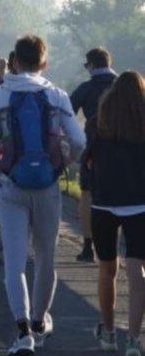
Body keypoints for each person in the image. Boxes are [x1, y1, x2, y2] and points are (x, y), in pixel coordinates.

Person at [0, 35, 86, 356]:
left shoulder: (0, 96)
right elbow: (79, 140)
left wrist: (0, 171)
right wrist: (61, 165)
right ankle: (40, 323)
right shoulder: (56, 95)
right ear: (44, 61)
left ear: (14, 62)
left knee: (14, 263)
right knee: (45, 259)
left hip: (11, 186)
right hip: (47, 186)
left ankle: (22, 332)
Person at [88, 71, 145, 356]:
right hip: (139, 204)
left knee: (107, 268)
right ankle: (134, 340)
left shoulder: (101, 123)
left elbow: (87, 160)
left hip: (104, 203)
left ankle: (108, 332)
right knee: (137, 272)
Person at [70, 47, 118, 263]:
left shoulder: (86, 88)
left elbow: (66, 113)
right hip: (123, 150)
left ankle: (88, 246)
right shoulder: (123, 86)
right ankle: (121, 246)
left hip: (94, 151)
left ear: (90, 65)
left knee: (87, 196)